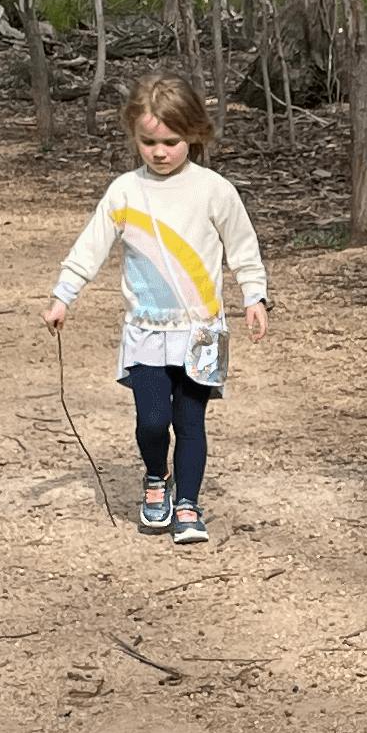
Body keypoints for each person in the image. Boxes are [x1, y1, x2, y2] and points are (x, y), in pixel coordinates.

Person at [43, 75, 269, 541]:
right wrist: (63, 295)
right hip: (145, 330)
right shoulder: (125, 192)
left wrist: (254, 296)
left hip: (203, 330)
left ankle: (187, 503)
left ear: (194, 135)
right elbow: (91, 247)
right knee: (152, 421)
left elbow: (242, 247)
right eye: (149, 142)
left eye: (171, 141)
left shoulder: (214, 190)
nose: (160, 152)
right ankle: (154, 478)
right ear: (134, 137)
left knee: (190, 421)